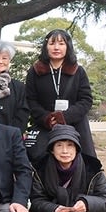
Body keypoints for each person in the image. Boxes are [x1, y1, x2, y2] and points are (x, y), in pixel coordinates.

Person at [25, 29, 96, 161]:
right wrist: (46, 118)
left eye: (61, 43)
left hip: (76, 124)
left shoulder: (78, 71)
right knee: (42, 164)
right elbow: (30, 100)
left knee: (83, 164)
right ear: (46, 47)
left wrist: (64, 117)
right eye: (52, 43)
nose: (56, 47)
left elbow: (86, 100)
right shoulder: (35, 71)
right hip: (45, 126)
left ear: (68, 46)